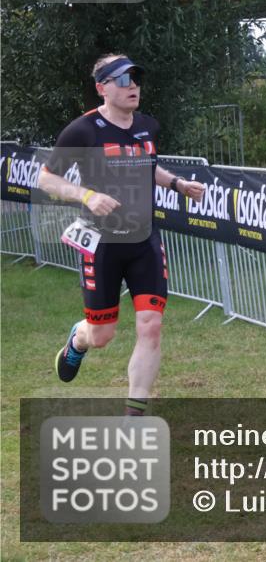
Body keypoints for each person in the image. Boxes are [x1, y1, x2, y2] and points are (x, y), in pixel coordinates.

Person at [37, 54, 206, 416]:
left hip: (144, 240)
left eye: (136, 78)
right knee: (102, 335)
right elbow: (46, 178)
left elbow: (148, 163)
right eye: (122, 79)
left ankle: (134, 417)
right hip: (101, 244)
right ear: (102, 88)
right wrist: (86, 195)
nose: (132, 86)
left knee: (151, 325)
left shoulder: (147, 125)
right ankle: (77, 340)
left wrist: (176, 183)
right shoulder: (83, 131)